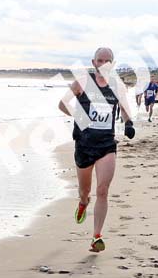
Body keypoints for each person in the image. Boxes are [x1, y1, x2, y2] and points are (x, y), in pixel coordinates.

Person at [58, 47, 135, 253]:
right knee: (86, 191)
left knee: (103, 191)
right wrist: (80, 117)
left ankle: (96, 237)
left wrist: (128, 124)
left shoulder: (117, 85)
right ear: (94, 62)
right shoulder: (82, 81)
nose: (103, 64)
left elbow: (126, 109)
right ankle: (83, 202)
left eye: (107, 61)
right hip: (84, 145)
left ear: (113, 63)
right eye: (99, 60)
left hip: (106, 145)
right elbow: (62, 104)